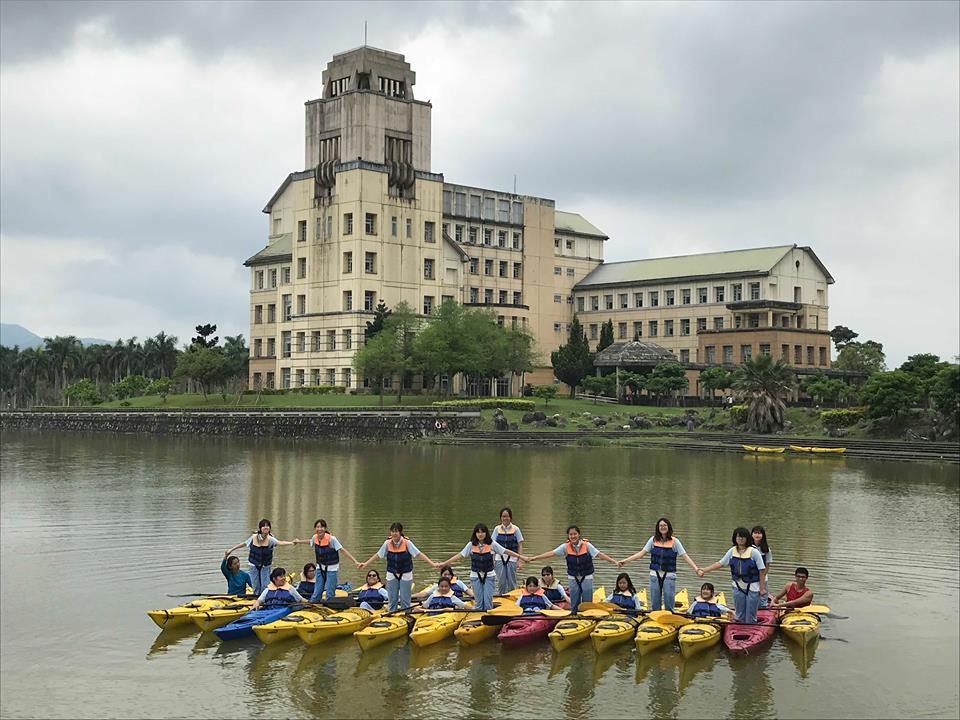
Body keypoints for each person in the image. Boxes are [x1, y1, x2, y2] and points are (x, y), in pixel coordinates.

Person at [527, 525, 619, 612]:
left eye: (575, 534)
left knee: (587, 601)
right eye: (571, 534)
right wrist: (534, 558)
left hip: (586, 575)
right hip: (573, 576)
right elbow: (551, 553)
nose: (573, 536)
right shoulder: (565, 547)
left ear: (579, 534)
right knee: (574, 601)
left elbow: (600, 555)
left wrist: (614, 561)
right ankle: (574, 614)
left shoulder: (587, 545)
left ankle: (587, 616)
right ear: (568, 536)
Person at [435, 523, 526, 611]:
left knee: (487, 604)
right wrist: (444, 563)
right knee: (479, 604)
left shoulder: (492, 544)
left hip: (489, 576)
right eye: (478, 532)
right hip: (475, 576)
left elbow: (505, 551)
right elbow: (459, 555)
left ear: (486, 533)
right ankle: (477, 614)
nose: (480, 534)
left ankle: (489, 614)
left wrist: (520, 557)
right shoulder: (471, 545)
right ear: (475, 534)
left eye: (483, 532)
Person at [619, 517, 702, 612]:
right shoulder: (653, 540)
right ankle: (655, 618)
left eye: (665, 525)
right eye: (661, 525)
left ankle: (669, 617)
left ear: (668, 527)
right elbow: (641, 554)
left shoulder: (675, 542)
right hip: (654, 575)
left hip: (669, 575)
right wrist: (625, 561)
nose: (663, 527)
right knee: (655, 602)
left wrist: (696, 569)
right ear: (658, 528)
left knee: (669, 601)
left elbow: (685, 556)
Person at [358, 523, 438, 612]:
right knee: (392, 599)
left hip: (405, 573)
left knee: (405, 600)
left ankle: (406, 614)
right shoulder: (387, 543)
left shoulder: (407, 543)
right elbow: (378, 555)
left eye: (396, 531)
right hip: (392, 574)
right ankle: (392, 614)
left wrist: (432, 564)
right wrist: (365, 564)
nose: (394, 534)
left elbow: (419, 554)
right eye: (392, 531)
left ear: (400, 532)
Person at [699, 527, 766, 624]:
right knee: (739, 613)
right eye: (738, 537)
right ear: (735, 538)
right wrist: (704, 570)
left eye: (743, 537)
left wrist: (762, 588)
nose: (740, 539)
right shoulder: (732, 551)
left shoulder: (754, 552)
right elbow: (720, 563)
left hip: (753, 586)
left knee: (751, 614)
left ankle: (751, 626)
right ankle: (739, 626)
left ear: (747, 538)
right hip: (737, 585)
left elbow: (762, 570)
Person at [224, 519, 299, 595]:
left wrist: (292, 543)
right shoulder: (254, 538)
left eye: (267, 526)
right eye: (263, 526)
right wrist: (231, 549)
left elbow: (280, 542)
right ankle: (257, 598)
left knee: (264, 586)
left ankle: (264, 599)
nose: (266, 527)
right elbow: (244, 544)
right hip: (253, 565)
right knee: (256, 586)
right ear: (260, 528)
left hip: (265, 566)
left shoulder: (271, 540)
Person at [307, 519, 360, 603]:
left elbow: (342, 550)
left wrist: (355, 561)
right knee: (317, 591)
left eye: (321, 527)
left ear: (325, 528)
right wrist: (298, 541)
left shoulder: (332, 539)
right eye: (317, 527)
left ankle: (330, 605)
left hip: (332, 568)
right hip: (320, 568)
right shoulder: (314, 538)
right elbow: (309, 542)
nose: (319, 529)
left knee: (329, 593)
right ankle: (313, 603)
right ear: (315, 529)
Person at [491, 507, 524, 593]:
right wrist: (492, 560)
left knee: (511, 582)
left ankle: (512, 599)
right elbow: (492, 546)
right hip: (499, 558)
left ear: (511, 517)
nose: (505, 518)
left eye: (507, 516)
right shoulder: (497, 529)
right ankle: (502, 599)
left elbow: (520, 545)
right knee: (501, 582)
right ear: (500, 518)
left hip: (512, 558)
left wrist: (520, 560)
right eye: (503, 516)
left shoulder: (516, 529)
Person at [751, 525, 773, 608]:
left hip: (763, 576)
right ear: (752, 535)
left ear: (763, 535)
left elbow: (767, 565)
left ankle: (763, 608)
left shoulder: (766, 549)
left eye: (759, 533)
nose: (757, 535)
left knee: (762, 598)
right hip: (750, 577)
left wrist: (762, 577)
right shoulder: (748, 548)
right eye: (755, 533)